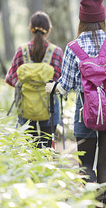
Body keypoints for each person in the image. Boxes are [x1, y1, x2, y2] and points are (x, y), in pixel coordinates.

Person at [49, 0, 106, 208]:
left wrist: (53, 87)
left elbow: (65, 86)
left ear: (81, 20)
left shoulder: (73, 48)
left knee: (85, 165)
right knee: (104, 163)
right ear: (102, 19)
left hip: (83, 112)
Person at [5, 11, 63, 148]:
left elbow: (10, 79)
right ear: (49, 30)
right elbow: (61, 82)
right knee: (46, 148)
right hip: (49, 109)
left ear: (30, 29)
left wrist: (29, 86)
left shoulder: (22, 50)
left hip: (25, 109)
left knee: (29, 149)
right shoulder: (56, 52)